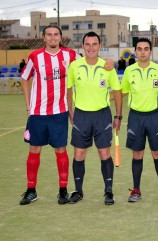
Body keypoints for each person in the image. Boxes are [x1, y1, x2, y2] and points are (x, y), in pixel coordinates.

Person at [19, 25, 79, 205]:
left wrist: (106, 63)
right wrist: (28, 107)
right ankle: (31, 190)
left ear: (61, 37)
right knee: (34, 150)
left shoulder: (71, 56)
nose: (52, 38)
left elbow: (88, 64)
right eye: (49, 35)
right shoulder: (35, 56)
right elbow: (24, 78)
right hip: (37, 113)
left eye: (56, 35)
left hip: (59, 113)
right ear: (44, 37)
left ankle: (63, 190)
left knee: (60, 150)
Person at [67, 31, 122, 205]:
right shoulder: (75, 66)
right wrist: (70, 109)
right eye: (87, 44)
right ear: (82, 46)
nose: (91, 48)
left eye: (94, 44)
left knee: (104, 153)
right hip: (81, 115)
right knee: (78, 153)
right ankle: (78, 190)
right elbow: (69, 89)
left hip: (102, 115)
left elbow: (118, 92)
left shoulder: (107, 66)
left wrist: (118, 115)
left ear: (99, 46)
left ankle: (108, 191)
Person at [121, 38, 158, 203]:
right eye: (139, 49)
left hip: (154, 117)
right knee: (137, 154)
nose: (142, 52)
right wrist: (103, 96)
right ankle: (136, 190)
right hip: (135, 117)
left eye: (146, 49)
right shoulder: (129, 71)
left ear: (150, 51)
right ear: (135, 51)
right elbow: (122, 92)